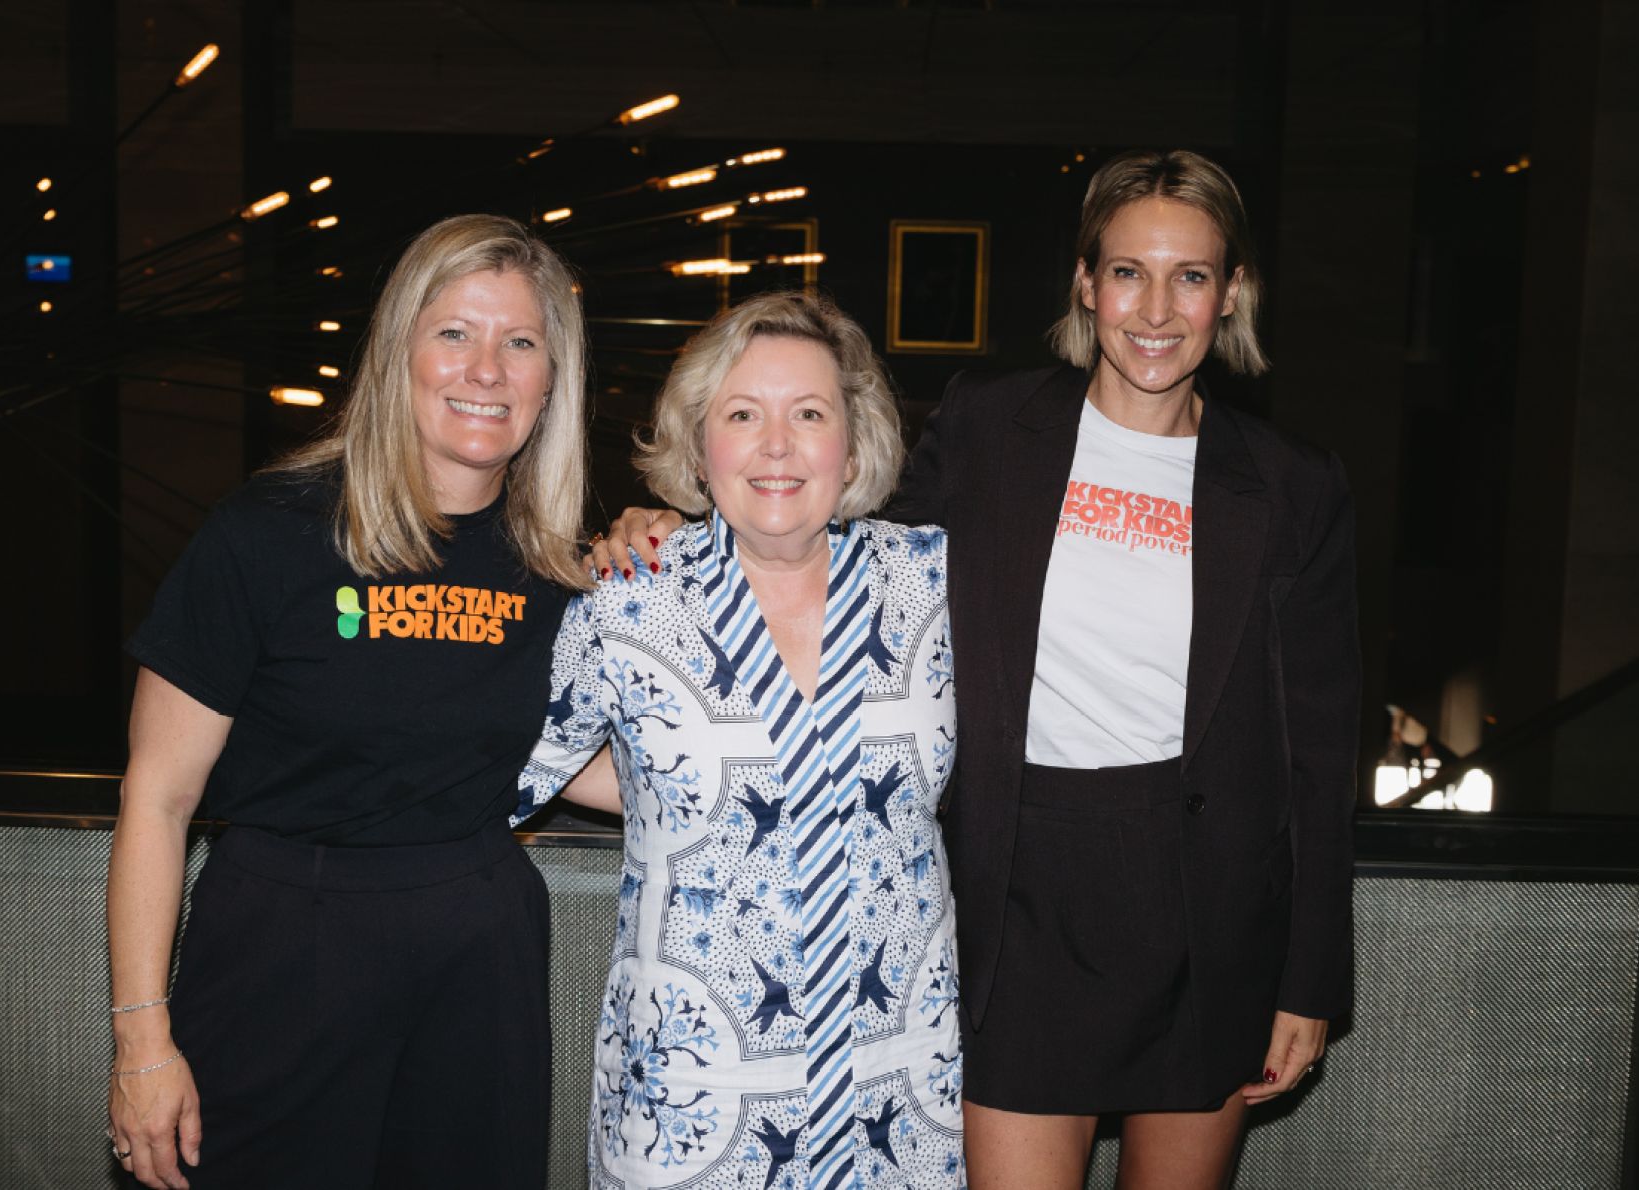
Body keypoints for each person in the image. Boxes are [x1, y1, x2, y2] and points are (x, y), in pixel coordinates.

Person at [594, 149, 1360, 1188]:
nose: (1156, 306)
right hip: (1018, 903)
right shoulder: (995, 426)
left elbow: (1318, 749)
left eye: (1191, 275)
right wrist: (681, 525)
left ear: (1232, 294)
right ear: (1087, 284)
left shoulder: (1292, 486)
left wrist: (1308, 980)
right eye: (1128, 271)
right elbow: (832, 526)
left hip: (1209, 914)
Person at [106, 214, 593, 1190]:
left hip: (477, 955)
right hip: (283, 945)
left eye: (521, 342)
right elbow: (156, 799)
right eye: (454, 331)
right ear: (397, 351)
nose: (486, 368)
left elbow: (594, 759)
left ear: (550, 384)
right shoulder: (266, 533)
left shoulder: (560, 573)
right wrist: (142, 1041)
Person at [520, 290, 967, 1188]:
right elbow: (516, 763)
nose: (776, 444)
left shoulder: (936, 580)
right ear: (696, 444)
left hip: (893, 1095)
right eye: (741, 414)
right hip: (694, 1099)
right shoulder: (627, 598)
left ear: (854, 441)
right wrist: (661, 783)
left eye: (808, 413)